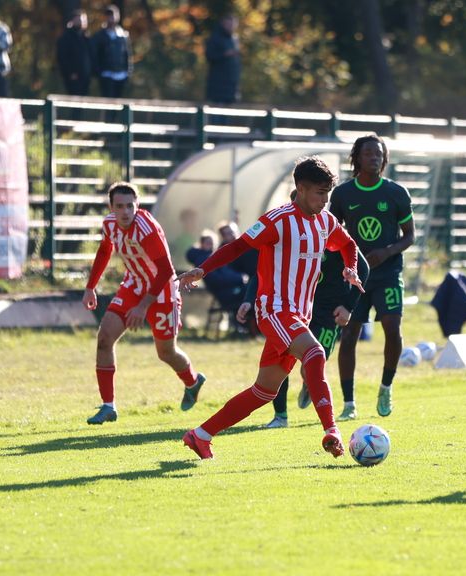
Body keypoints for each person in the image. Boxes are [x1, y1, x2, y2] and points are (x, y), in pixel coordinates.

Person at [177, 156, 363, 460]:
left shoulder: (326, 221)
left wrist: (350, 268)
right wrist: (203, 269)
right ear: (300, 189)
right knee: (315, 354)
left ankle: (200, 435)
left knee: (265, 391)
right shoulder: (278, 220)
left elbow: (347, 245)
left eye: (327, 195)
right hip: (274, 310)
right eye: (319, 194)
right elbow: (238, 246)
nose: (324, 201)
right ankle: (331, 430)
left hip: (298, 315)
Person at [236, 192, 371, 428]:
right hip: (291, 310)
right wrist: (249, 299)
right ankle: (281, 416)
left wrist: (348, 306)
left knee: (313, 365)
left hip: (328, 314)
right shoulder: (286, 232)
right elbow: (265, 272)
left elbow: (364, 268)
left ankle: (312, 391)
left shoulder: (329, 230)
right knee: (281, 361)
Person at [82, 182, 206, 425]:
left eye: (130, 205)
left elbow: (165, 271)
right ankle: (108, 406)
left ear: (137, 205)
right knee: (104, 338)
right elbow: (105, 251)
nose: (126, 211)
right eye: (120, 206)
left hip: (161, 291)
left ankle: (193, 381)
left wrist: (143, 306)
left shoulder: (146, 228)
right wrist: (90, 287)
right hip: (134, 285)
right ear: (111, 208)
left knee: (166, 353)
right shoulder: (109, 224)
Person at [329, 134, 414, 420]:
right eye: (368, 153)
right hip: (355, 277)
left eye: (379, 154)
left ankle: (386, 386)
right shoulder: (342, 195)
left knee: (392, 327)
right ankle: (349, 403)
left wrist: (387, 251)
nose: (375, 158)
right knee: (350, 333)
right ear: (357, 158)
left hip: (388, 273)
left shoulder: (396, 193)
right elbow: (331, 234)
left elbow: (410, 236)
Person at [91, 5, 130, 98]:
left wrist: (128, 72)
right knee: (108, 104)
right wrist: (98, 72)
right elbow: (95, 55)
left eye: (113, 15)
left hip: (121, 75)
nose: (111, 18)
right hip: (106, 74)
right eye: (109, 16)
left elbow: (127, 54)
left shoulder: (123, 35)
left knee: (119, 104)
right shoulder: (99, 36)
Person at [205, 14, 241, 105]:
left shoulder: (234, 39)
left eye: (233, 24)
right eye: (228, 24)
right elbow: (209, 56)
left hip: (231, 86)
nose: (231, 27)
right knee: (217, 114)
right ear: (223, 24)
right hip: (218, 86)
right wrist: (224, 54)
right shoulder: (215, 38)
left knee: (227, 114)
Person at [56, 10, 92, 96]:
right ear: (73, 20)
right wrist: (70, 73)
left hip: (85, 76)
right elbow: (62, 57)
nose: (82, 22)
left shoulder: (87, 37)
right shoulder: (66, 37)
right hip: (73, 77)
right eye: (79, 20)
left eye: (83, 20)